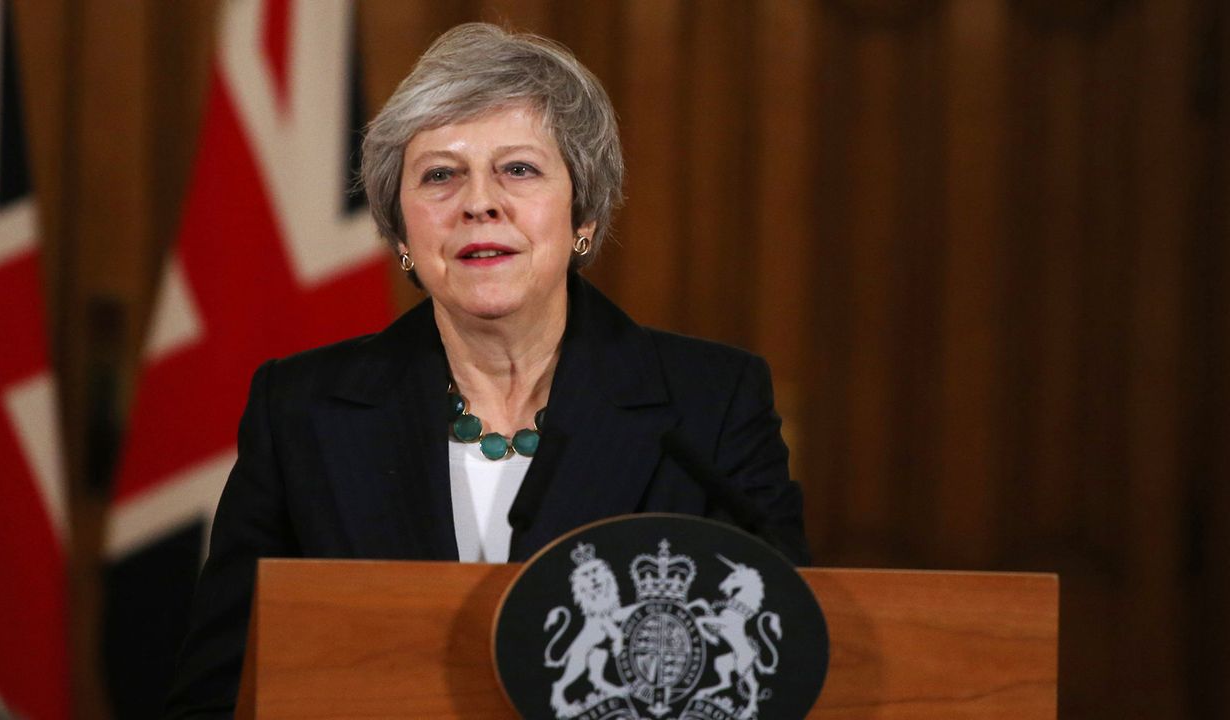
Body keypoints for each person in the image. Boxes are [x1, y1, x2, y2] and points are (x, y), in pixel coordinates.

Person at [163, 22, 807, 718]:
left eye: (519, 169)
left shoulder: (710, 405)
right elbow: (220, 687)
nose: (478, 202)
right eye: (441, 175)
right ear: (402, 232)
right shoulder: (302, 410)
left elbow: (783, 656)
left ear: (582, 214)